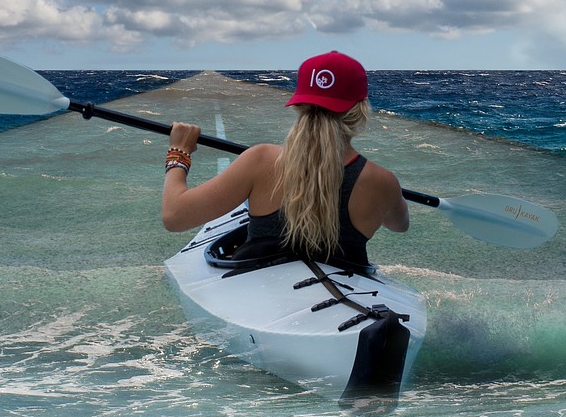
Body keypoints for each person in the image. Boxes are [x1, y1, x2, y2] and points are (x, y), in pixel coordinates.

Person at [160, 51, 409, 268]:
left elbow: (174, 216)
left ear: (298, 104)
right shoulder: (381, 181)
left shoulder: (261, 160)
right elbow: (400, 225)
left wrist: (179, 153)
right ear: (361, 109)